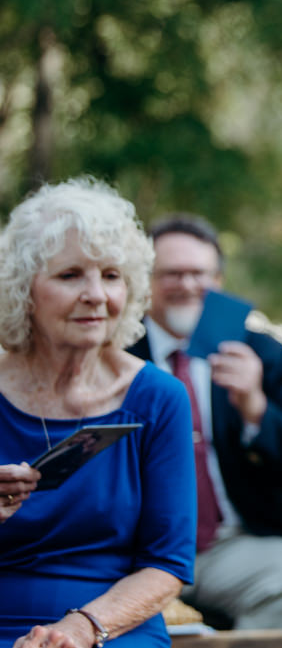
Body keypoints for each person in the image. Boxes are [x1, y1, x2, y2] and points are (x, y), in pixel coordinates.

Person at [0, 178, 195, 648]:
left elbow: (167, 564)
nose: (96, 295)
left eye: (111, 276)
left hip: (111, 626)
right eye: (70, 275)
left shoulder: (160, 398)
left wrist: (81, 629)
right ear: (24, 290)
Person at [126, 215, 282, 630]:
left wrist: (256, 407)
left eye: (199, 274)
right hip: (133, 547)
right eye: (172, 274)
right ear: (144, 283)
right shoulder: (117, 350)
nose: (187, 285)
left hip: (231, 544)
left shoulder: (259, 352)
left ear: (218, 279)